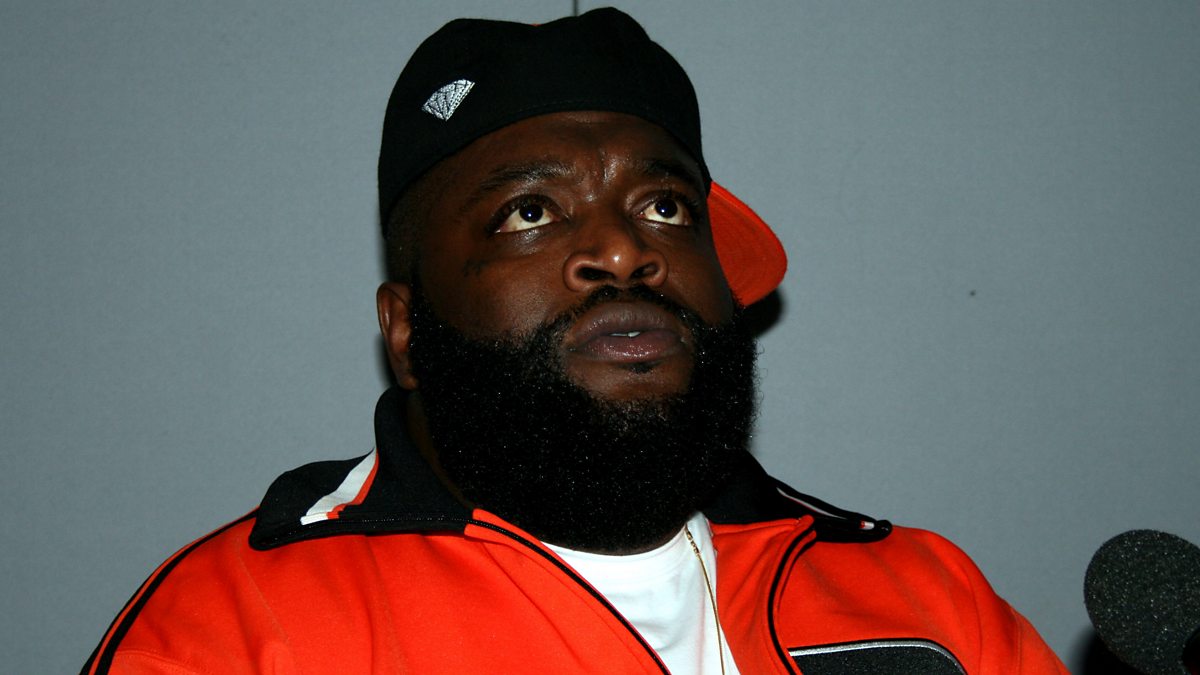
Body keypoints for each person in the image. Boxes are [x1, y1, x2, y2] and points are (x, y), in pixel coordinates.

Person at [83, 9, 1068, 674]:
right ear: (406, 330)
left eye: (665, 204)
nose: (624, 248)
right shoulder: (238, 629)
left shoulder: (925, 598)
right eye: (530, 212)